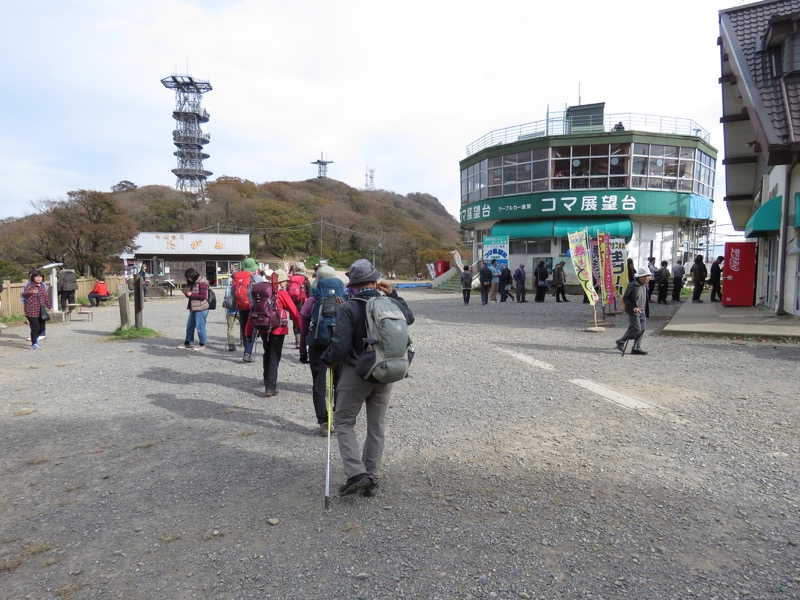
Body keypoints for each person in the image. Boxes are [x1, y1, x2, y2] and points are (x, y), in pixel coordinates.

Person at [321, 259, 414, 497]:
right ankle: (371, 477)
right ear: (375, 281)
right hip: (387, 370)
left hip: (357, 372)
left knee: (343, 421)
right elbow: (409, 318)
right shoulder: (390, 302)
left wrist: (327, 357)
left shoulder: (349, 307)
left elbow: (340, 347)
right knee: (376, 426)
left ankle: (356, 473)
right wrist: (395, 295)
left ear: (353, 284)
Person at [299, 265, 342, 435]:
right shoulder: (344, 300)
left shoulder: (311, 301)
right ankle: (338, 418)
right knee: (339, 383)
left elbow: (303, 330)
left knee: (319, 383)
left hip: (317, 346)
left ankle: (323, 422)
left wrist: (303, 351)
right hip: (339, 346)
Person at [260, 269, 301, 397]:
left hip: (263, 327)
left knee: (267, 353)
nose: (287, 284)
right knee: (274, 355)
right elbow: (294, 312)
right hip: (278, 329)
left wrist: (248, 330)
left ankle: (267, 381)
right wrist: (302, 328)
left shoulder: (263, 292)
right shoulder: (282, 294)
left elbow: (253, 310)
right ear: (280, 281)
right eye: (285, 281)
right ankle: (270, 387)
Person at [232, 258, 263, 362]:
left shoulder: (236, 278)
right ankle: (247, 353)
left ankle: (246, 351)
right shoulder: (257, 278)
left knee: (244, 328)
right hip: (252, 307)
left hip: (240, 307)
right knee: (251, 330)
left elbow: (232, 294)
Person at [615, 267, 651, 356]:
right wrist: (633, 307)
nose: (649, 278)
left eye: (649, 276)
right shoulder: (632, 285)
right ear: (641, 277)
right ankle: (621, 341)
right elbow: (625, 298)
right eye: (647, 276)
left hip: (642, 311)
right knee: (636, 328)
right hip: (633, 310)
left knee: (642, 329)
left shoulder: (644, 286)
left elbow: (644, 300)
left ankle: (636, 348)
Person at [179, 268, 210, 350]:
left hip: (201, 308)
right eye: (187, 277)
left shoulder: (202, 282)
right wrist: (187, 293)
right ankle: (187, 342)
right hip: (194, 308)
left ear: (193, 275)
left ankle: (202, 343)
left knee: (200, 327)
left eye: (189, 277)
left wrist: (191, 295)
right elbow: (192, 295)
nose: (188, 279)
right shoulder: (194, 283)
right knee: (190, 325)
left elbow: (203, 296)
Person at [21, 270, 51, 350]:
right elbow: (24, 294)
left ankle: (36, 339)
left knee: (42, 327)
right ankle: (34, 343)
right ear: (33, 278)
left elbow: (45, 298)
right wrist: (31, 292)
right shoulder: (30, 285)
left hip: (41, 310)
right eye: (36, 277)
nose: (38, 278)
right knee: (35, 326)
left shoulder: (42, 286)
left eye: (40, 277)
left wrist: (50, 307)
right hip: (31, 309)